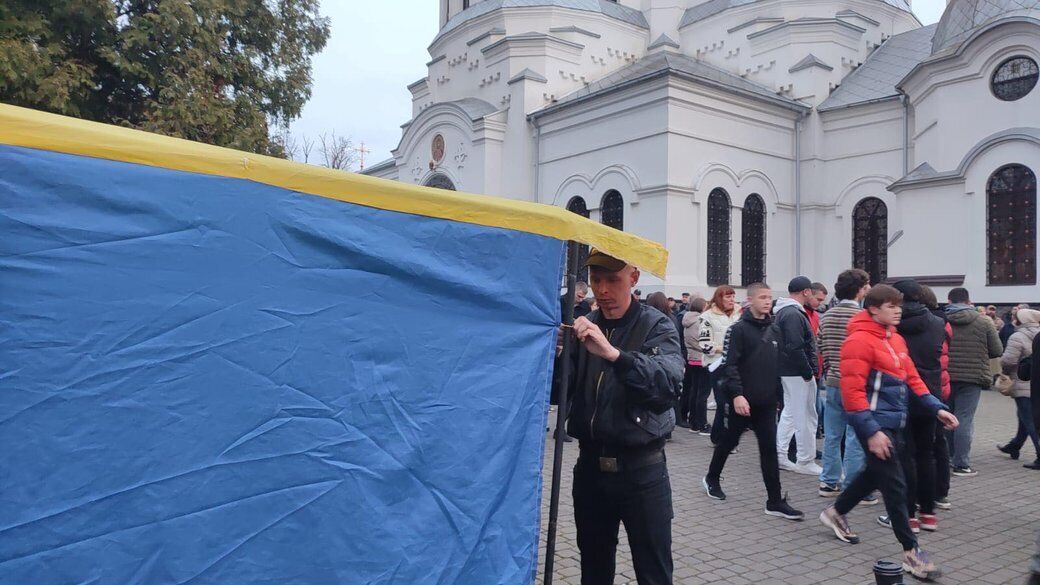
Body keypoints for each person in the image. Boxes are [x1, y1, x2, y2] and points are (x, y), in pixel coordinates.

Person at [558, 249, 684, 585]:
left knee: (654, 571)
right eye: (597, 280)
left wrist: (615, 355)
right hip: (590, 469)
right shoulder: (584, 326)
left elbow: (666, 387)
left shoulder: (656, 325)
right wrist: (556, 356)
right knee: (594, 569)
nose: (603, 290)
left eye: (613, 280)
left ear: (634, 277)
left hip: (642, 471)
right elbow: (560, 390)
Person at [819, 285, 959, 581]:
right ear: (873, 309)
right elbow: (852, 393)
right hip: (873, 424)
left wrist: (936, 408)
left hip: (894, 423)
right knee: (896, 485)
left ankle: (836, 511)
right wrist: (871, 432)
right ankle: (911, 552)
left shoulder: (894, 338)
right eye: (891, 305)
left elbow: (913, 379)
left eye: (899, 305)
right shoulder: (858, 341)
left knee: (875, 475)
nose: (898, 310)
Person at [702, 283, 805, 520]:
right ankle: (712, 477)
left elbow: (777, 365)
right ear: (750, 300)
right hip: (743, 402)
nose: (767, 301)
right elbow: (730, 365)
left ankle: (775, 501)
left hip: (766, 403)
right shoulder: (738, 330)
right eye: (762, 297)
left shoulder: (775, 329)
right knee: (729, 442)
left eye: (770, 297)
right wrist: (737, 394)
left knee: (768, 449)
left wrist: (779, 397)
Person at [878, 279, 952, 533]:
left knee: (905, 456)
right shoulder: (938, 322)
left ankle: (907, 514)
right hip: (929, 393)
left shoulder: (892, 325)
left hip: (899, 393)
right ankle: (928, 513)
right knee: (927, 454)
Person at [818, 269, 870, 500]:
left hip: (833, 380)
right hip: (856, 382)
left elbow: (821, 348)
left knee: (832, 434)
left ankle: (828, 482)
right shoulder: (862, 317)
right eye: (866, 285)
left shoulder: (826, 315)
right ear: (859, 289)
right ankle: (853, 484)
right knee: (855, 435)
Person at [945, 287, 1003, 476]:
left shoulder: (942, 319)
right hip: (973, 377)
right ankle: (961, 464)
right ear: (969, 301)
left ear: (949, 300)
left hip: (946, 375)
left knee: (946, 417)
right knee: (964, 418)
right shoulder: (984, 321)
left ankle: (945, 458)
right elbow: (997, 350)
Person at [774, 276, 822, 475]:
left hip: (789, 370)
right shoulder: (793, 313)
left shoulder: (786, 312)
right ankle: (804, 459)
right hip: (797, 372)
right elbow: (795, 346)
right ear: (806, 291)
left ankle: (782, 455)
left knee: (792, 414)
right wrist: (807, 371)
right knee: (804, 416)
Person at [998, 308, 1040, 469]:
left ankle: (1039, 455)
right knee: (1024, 417)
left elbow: (1008, 360)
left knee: (1030, 421)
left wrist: (1005, 371)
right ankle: (1014, 446)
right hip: (1035, 384)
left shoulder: (1018, 336)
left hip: (1023, 383)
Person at [698, 285, 740, 443]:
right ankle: (722, 438)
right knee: (722, 403)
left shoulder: (739, 314)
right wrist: (725, 348)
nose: (732, 300)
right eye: (728, 297)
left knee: (732, 402)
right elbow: (705, 345)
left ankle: (719, 436)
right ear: (719, 298)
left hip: (735, 365)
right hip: (717, 365)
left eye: (733, 296)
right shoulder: (707, 316)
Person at [682, 298, 709, 432]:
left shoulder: (687, 320)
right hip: (701, 359)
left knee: (694, 391)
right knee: (702, 393)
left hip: (692, 358)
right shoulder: (700, 321)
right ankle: (701, 423)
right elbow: (702, 342)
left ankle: (693, 422)